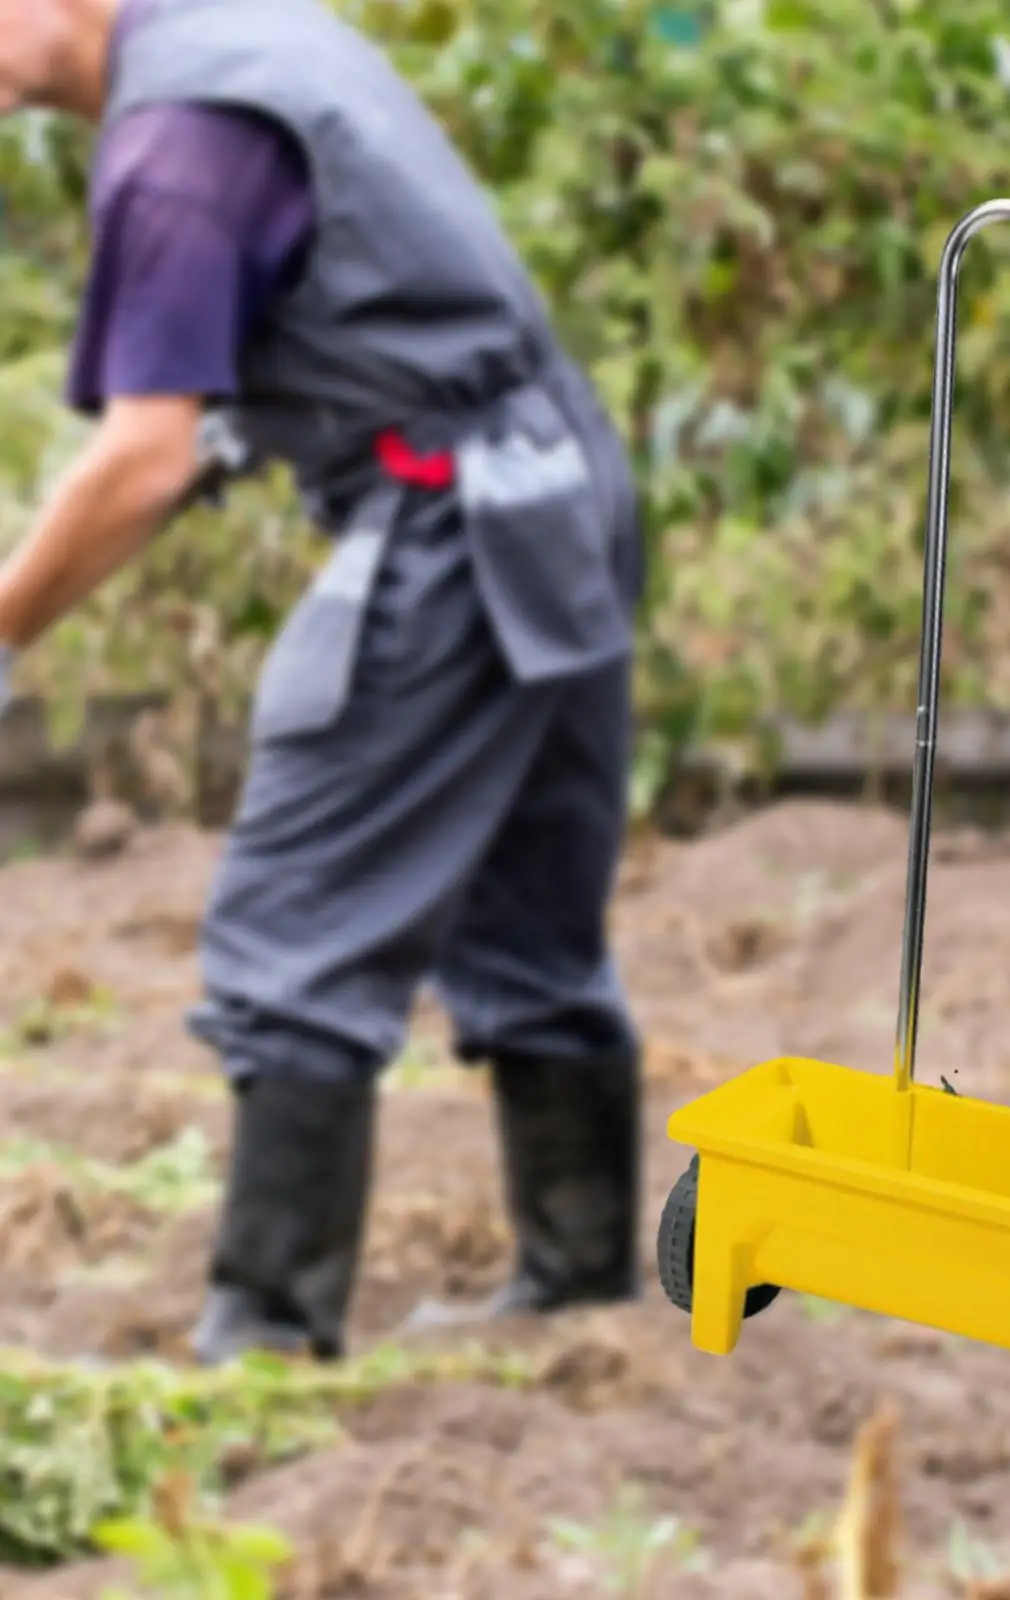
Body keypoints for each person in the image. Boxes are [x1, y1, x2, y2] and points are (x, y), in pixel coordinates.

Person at [0, 0, 646, 1365]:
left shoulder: (175, 139)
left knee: (294, 924)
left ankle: (266, 1342)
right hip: (559, 481)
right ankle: (581, 1296)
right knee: (527, 911)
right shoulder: (251, 40)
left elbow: (144, 460)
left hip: (454, 519)